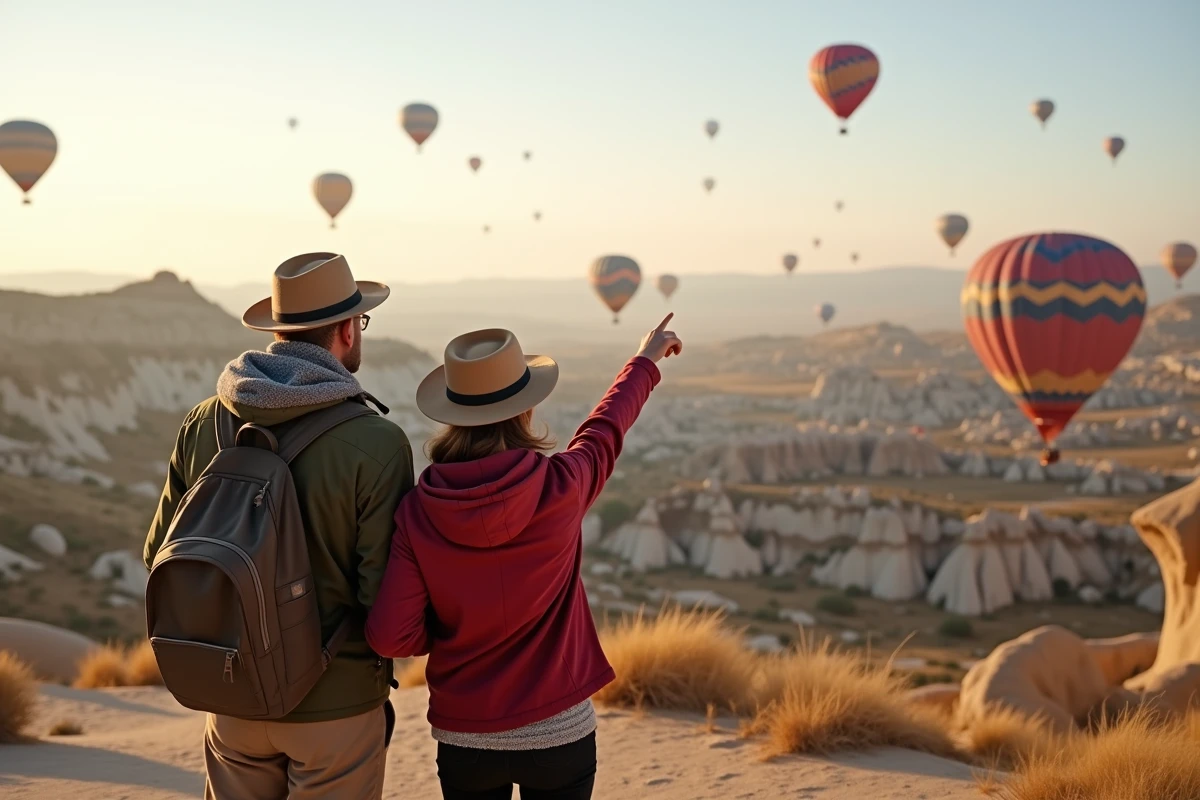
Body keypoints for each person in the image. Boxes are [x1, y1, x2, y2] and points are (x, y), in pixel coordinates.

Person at [366, 314, 683, 800]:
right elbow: (603, 430)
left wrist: (452, 631)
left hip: (466, 734)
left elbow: (389, 636)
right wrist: (643, 361)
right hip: (560, 731)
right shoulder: (564, 486)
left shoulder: (417, 511)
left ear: (452, 415)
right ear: (525, 412)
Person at [144, 252, 415, 800]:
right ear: (346, 329)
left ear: (279, 330)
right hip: (334, 706)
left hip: (230, 693)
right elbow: (381, 595)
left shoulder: (205, 422)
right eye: (360, 322)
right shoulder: (377, 443)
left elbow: (159, 552)